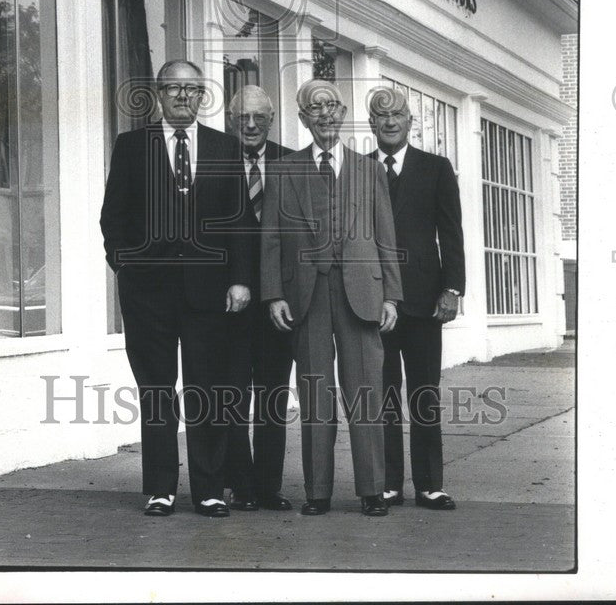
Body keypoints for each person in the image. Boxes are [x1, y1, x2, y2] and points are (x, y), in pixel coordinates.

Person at [100, 60, 253, 518]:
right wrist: (127, 267)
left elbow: (241, 221)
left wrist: (241, 279)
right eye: (174, 89)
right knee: (156, 390)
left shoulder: (224, 148)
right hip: (148, 295)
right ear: (159, 94)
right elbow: (114, 219)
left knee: (206, 388)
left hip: (209, 293)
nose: (183, 97)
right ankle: (161, 488)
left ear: (202, 95)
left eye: (192, 89)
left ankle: (207, 489)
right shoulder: (132, 146)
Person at [260, 78, 402, 517]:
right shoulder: (284, 170)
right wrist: (273, 295)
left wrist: (393, 296)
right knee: (315, 391)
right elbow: (270, 238)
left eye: (331, 107)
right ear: (303, 119)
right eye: (314, 108)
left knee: (365, 391)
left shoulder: (369, 169)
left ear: (342, 115)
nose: (324, 114)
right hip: (308, 295)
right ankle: (317, 491)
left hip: (363, 292)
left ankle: (372, 489)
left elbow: (386, 236)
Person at [367, 86, 466, 511]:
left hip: (426, 300)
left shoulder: (436, 168)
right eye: (380, 115)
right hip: (374, 302)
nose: (389, 121)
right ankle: (389, 483)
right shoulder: (358, 169)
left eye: (397, 114)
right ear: (371, 123)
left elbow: (452, 232)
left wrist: (453, 288)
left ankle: (429, 484)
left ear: (410, 121)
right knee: (383, 394)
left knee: (424, 392)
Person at [225, 85, 294, 512]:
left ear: (270, 119)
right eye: (242, 118)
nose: (250, 125)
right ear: (232, 120)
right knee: (233, 395)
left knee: (273, 395)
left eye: (258, 118)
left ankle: (269, 487)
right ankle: (240, 485)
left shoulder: (292, 163)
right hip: (229, 303)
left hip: (278, 304)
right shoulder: (213, 161)